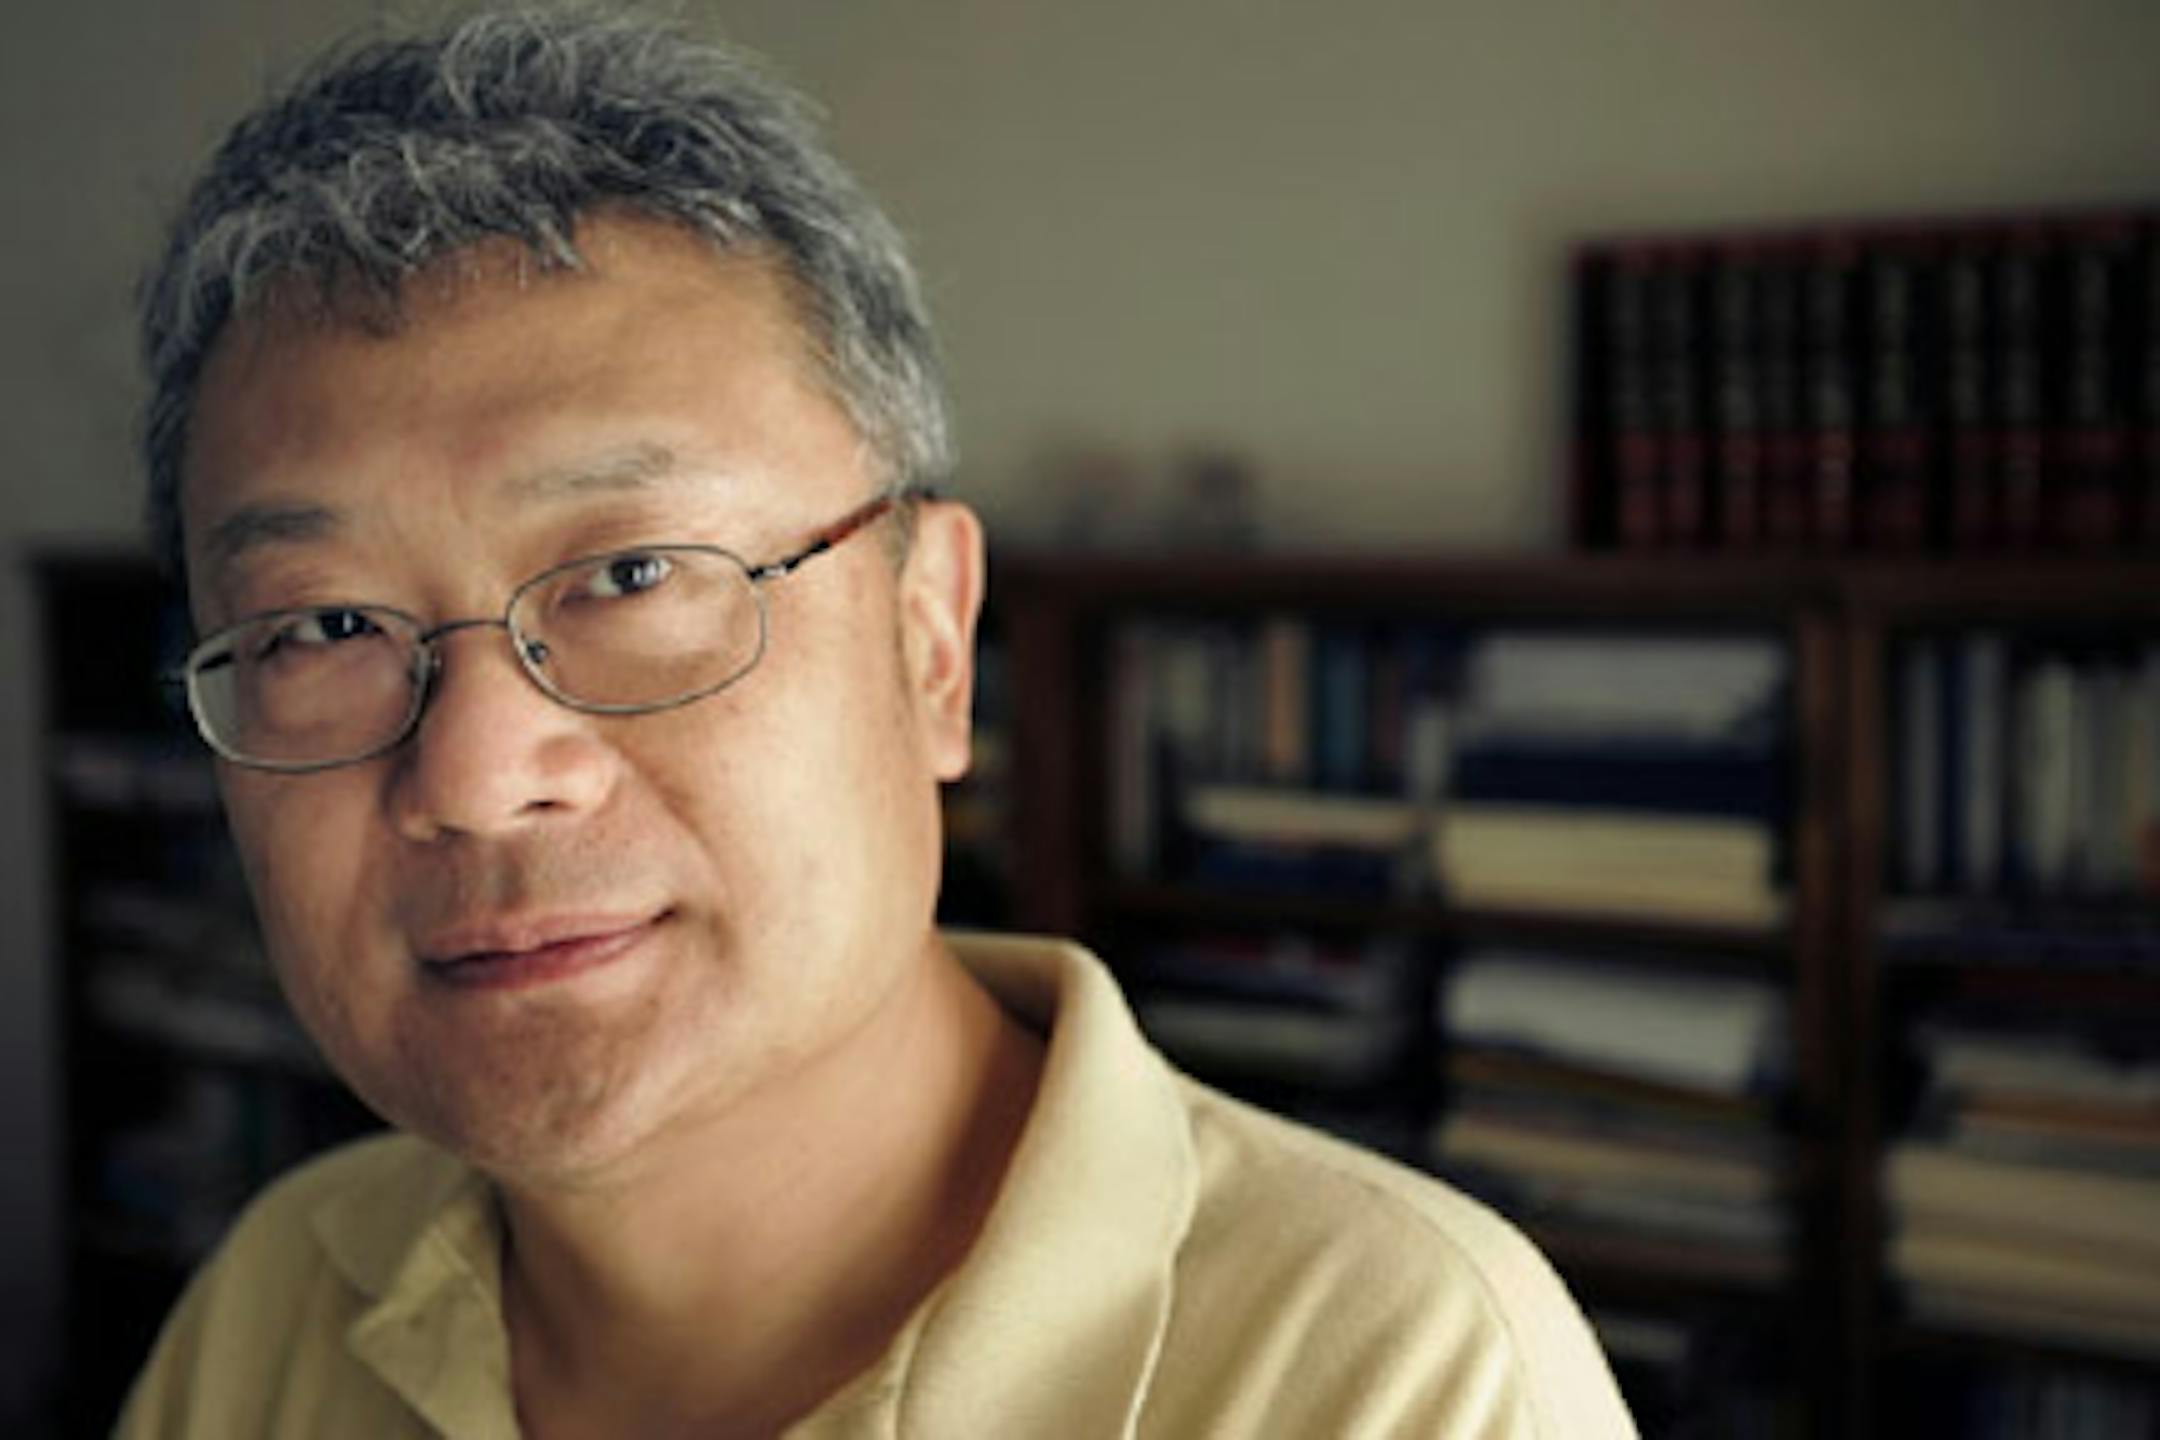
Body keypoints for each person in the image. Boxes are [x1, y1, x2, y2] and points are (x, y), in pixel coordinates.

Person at [116, 9, 1635, 1437]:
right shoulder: (283, 1300)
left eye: (634, 574)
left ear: (929, 643)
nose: (476, 772)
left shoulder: (1394, 1375)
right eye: (322, 626)